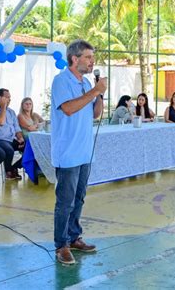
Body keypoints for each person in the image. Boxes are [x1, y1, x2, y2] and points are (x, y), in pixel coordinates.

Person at [51, 39, 106, 265]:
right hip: (67, 153)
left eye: (93, 58)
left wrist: (99, 95)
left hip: (84, 152)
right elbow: (69, 108)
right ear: (75, 59)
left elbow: (94, 114)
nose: (92, 61)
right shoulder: (61, 81)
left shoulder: (85, 83)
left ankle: (74, 237)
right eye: (88, 57)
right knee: (65, 202)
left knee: (79, 198)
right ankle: (61, 245)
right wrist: (95, 90)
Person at [0, 88, 25, 180]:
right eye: (7, 97)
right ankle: (8, 172)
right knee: (9, 150)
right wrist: (3, 107)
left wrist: (20, 138)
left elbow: (16, 128)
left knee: (30, 147)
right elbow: (1, 122)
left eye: (10, 98)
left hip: (11, 139)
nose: (9, 100)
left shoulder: (11, 112)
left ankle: (14, 167)